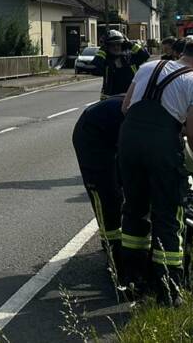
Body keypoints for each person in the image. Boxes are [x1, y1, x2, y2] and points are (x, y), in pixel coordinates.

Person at [117, 37, 193, 305]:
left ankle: (131, 278)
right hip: (161, 148)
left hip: (128, 142)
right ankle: (168, 289)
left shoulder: (147, 67)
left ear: (183, 54)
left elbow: (125, 107)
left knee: (134, 209)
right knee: (167, 213)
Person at [71, 97, 127, 270]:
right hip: (91, 135)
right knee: (106, 195)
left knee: (122, 189)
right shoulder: (155, 118)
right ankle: (112, 248)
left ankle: (121, 242)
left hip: (112, 134)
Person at [92, 30, 150, 99]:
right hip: (111, 99)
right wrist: (103, 49)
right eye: (112, 45)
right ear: (107, 47)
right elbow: (95, 66)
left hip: (130, 97)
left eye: (118, 44)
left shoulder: (130, 58)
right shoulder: (106, 62)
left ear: (123, 45)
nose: (116, 47)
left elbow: (145, 55)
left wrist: (130, 44)